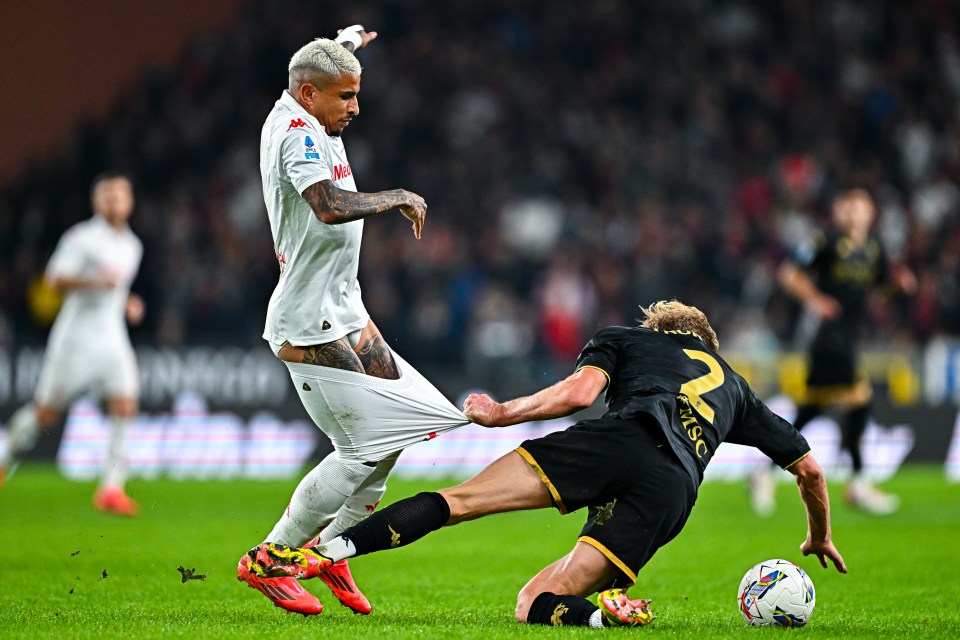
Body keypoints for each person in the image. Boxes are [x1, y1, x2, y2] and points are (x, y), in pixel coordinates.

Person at [245, 300, 847, 628]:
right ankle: (603, 620)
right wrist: (817, 535)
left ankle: (321, 553)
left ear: (658, 330)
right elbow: (812, 472)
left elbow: (580, 396)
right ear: (707, 344)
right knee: (535, 600)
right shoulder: (736, 388)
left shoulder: (628, 339)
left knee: (460, 501)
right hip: (672, 491)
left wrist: (503, 413)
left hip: (616, 440)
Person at [236, 26, 469, 616]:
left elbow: (326, 56)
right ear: (310, 95)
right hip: (308, 320)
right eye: (346, 97)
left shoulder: (313, 98)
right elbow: (329, 205)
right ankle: (271, 557)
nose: (356, 108)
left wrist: (349, 40)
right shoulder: (296, 135)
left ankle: (329, 551)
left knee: (394, 436)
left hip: (346, 307)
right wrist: (394, 196)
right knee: (362, 447)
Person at [751, 188, 916, 517]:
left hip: (850, 336)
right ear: (840, 211)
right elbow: (788, 274)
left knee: (811, 411)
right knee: (859, 396)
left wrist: (899, 286)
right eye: (849, 205)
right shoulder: (824, 241)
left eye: (861, 206)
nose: (854, 211)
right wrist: (815, 300)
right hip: (826, 336)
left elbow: (880, 293)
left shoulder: (874, 250)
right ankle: (857, 484)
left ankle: (763, 473)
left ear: (871, 213)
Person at [1, 172, 144, 516]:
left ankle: (111, 489)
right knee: (45, 412)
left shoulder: (132, 245)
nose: (115, 201)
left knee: (125, 404)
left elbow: (116, 287)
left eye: (121, 195)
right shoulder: (81, 239)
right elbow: (53, 280)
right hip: (75, 342)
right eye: (108, 195)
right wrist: (95, 283)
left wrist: (127, 302)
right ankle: (4, 458)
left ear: (130, 201)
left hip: (111, 338)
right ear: (97, 202)